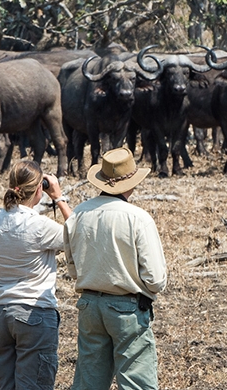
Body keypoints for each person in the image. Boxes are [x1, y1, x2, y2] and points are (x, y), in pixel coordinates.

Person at [64, 147, 168, 390]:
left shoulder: (79, 213)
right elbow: (155, 279)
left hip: (89, 305)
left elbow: (72, 267)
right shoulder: (137, 218)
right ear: (131, 182)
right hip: (128, 308)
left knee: (89, 381)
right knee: (136, 383)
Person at [0, 160, 73, 390]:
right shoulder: (40, 226)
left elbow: (16, 212)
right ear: (39, 189)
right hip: (34, 311)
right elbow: (80, 234)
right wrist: (59, 198)